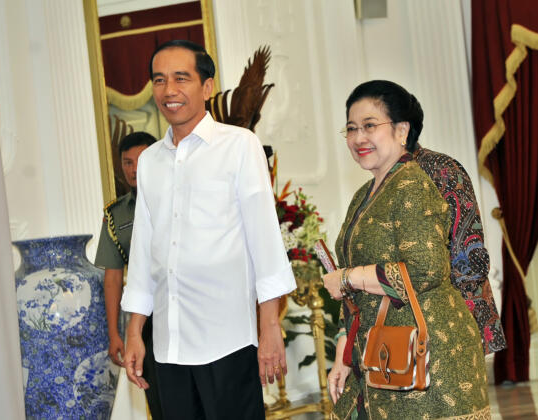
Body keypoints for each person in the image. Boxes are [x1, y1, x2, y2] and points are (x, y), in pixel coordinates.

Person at [120, 39, 296, 420]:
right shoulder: (150, 162)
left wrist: (269, 327)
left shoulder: (239, 146)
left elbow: (265, 241)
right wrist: (135, 331)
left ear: (207, 86)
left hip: (227, 339)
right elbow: (144, 251)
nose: (169, 90)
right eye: (159, 80)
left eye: (181, 78)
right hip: (169, 343)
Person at [323, 80, 490, 419]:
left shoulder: (412, 184)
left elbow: (426, 269)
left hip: (428, 360)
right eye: (351, 128)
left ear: (402, 130)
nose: (358, 138)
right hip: (380, 354)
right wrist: (344, 354)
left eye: (370, 125)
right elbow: (354, 295)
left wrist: (349, 277)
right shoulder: (363, 195)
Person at [94, 131, 162, 419]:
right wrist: (115, 333)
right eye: (127, 162)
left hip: (189, 311)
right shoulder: (116, 215)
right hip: (146, 321)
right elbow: (112, 278)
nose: (134, 169)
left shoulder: (177, 200)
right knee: (160, 399)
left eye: (141, 160)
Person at [414, 145, 506, 354]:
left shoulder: (440, 168)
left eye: (370, 128)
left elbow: (470, 256)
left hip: (451, 323)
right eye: (352, 130)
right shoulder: (377, 185)